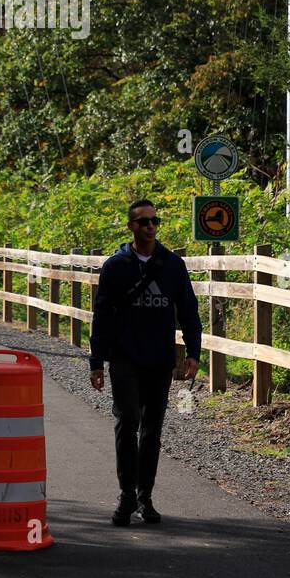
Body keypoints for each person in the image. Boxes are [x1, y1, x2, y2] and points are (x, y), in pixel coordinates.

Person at [89, 199, 202, 526]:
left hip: (159, 359)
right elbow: (102, 317)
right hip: (125, 358)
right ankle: (126, 496)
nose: (150, 227)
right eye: (143, 222)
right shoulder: (115, 267)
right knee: (127, 423)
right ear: (131, 227)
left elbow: (189, 312)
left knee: (152, 430)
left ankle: (145, 498)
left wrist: (193, 352)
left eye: (155, 221)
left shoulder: (172, 265)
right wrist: (97, 362)